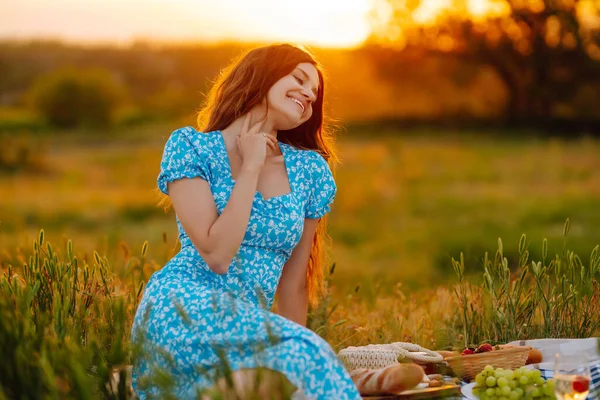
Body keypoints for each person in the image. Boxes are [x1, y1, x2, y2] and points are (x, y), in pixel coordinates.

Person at [130, 43, 362, 399]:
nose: (307, 96)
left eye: (314, 96)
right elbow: (217, 254)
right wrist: (251, 165)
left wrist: (293, 353)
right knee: (309, 353)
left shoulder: (310, 170)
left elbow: (294, 286)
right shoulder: (191, 148)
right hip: (181, 307)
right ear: (262, 76)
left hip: (246, 325)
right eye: (299, 79)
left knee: (306, 358)